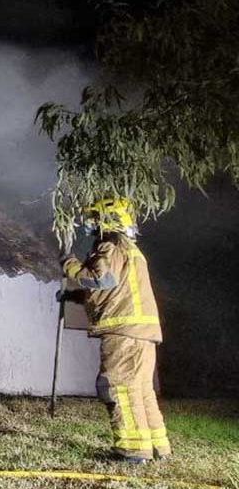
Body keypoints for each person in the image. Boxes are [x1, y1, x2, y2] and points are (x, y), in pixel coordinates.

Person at [59, 198, 169, 464]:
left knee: (117, 386)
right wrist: (75, 297)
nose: (89, 225)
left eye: (94, 219)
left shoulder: (109, 245)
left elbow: (100, 279)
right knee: (141, 389)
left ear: (107, 220)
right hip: (141, 332)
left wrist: (69, 264)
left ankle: (132, 451)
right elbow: (113, 290)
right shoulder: (130, 249)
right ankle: (157, 447)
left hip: (123, 332)